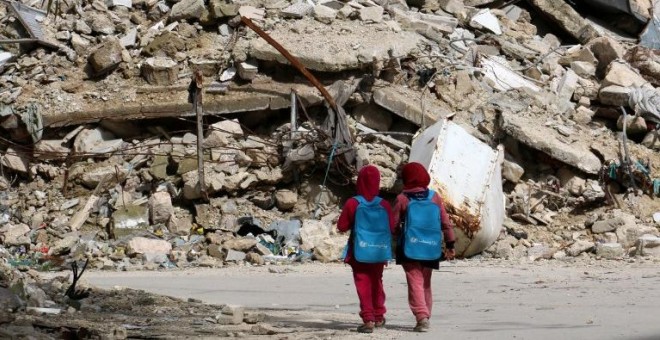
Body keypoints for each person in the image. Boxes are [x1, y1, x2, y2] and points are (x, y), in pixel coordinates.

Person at [393, 162, 456, 332]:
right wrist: (450, 244)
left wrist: (395, 239)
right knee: (426, 282)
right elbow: (445, 222)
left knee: (415, 281)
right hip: (431, 247)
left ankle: (421, 317)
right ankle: (426, 314)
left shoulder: (402, 198)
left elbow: (394, 224)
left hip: (409, 247)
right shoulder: (434, 197)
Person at [337, 165, 395, 333]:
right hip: (379, 250)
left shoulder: (353, 203)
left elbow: (342, 226)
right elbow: (391, 227)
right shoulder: (384, 204)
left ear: (359, 181)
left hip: (359, 251)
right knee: (377, 282)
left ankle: (368, 319)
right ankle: (379, 316)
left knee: (363, 283)